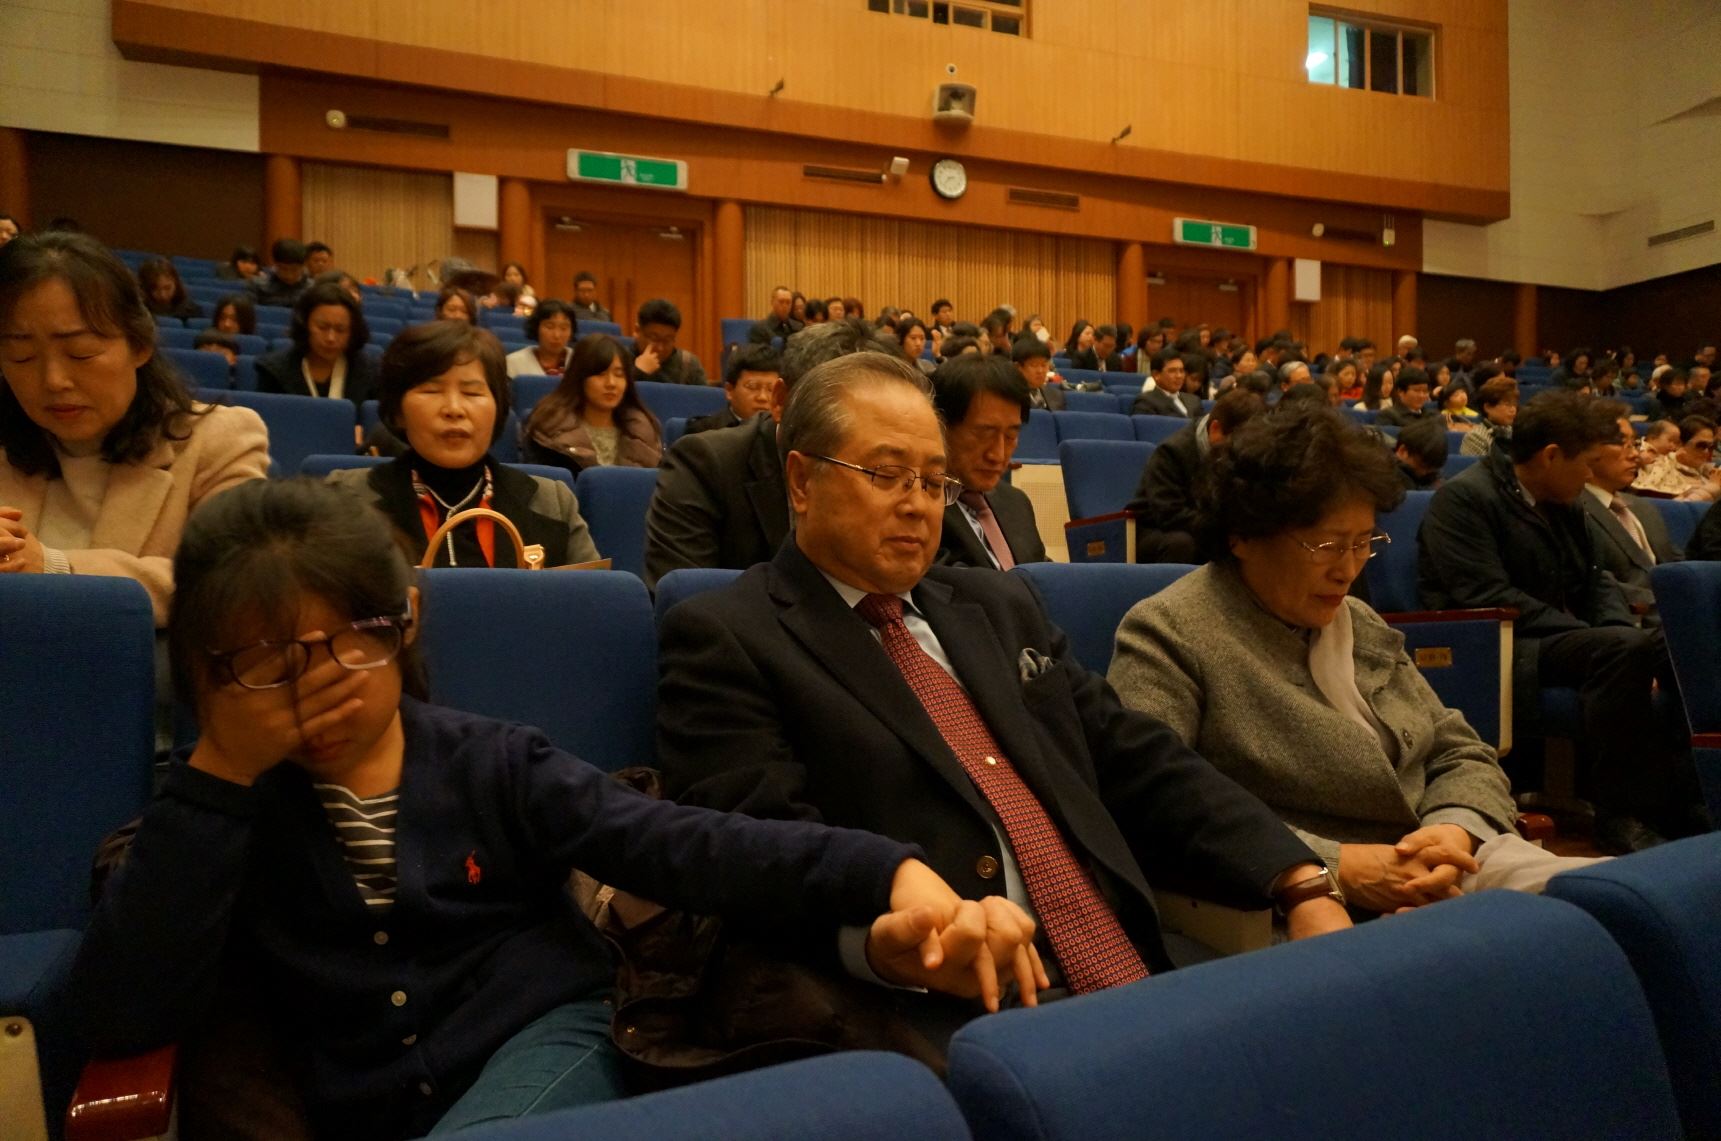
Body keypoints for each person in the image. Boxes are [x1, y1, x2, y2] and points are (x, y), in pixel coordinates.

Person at [70, 476, 1038, 1139]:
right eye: (263, 661)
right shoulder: (212, 805)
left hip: (538, 1042)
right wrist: (218, 769)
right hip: (349, 1091)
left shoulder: (488, 762)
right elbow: (125, 1004)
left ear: (403, 624)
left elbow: (682, 843)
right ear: (204, 672)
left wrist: (884, 870)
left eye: (347, 642)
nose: (315, 687)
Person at [654, 351, 1349, 1041]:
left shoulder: (996, 605)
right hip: (936, 1009)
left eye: (934, 482)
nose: (916, 504)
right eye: (886, 475)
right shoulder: (728, 635)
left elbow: (1134, 755)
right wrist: (886, 940)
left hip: (1130, 967)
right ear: (802, 481)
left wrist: (1295, 873)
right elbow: (760, 850)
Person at [1110, 406, 1603, 913]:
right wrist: (1331, 866)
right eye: (1326, 545)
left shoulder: (1358, 620)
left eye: (1363, 542)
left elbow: (1458, 749)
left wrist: (1453, 828)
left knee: (1617, 900)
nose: (1347, 569)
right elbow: (1158, 804)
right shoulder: (1170, 631)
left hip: (1449, 863)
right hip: (1302, 898)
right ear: (1242, 535)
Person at [1418, 391, 1700, 854]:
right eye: (1586, 463)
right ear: (1551, 456)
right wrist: (1599, 637)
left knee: (1682, 643)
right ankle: (1619, 815)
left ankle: (1690, 798)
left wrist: (1619, 631)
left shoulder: (1563, 501)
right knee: (1620, 649)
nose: (1590, 475)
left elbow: (1597, 582)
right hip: (1500, 644)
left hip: (1566, 640)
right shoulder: (1465, 498)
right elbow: (1485, 595)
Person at [0, 230, 269, 625]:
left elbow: (234, 581)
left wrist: (55, 568)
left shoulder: (218, 439)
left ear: (140, 344)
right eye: (21, 356)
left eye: (81, 353)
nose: (54, 380)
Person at [643, 319, 894, 592]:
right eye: (837, 418)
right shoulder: (704, 466)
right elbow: (687, 603)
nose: (858, 436)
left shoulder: (906, 476)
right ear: (780, 402)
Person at [327, 321, 598, 569]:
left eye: (472, 392)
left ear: (498, 409)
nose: (454, 409)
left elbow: (589, 602)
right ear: (398, 410)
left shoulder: (553, 503)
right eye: (432, 391)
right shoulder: (344, 498)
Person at [930, 354, 1045, 570]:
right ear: (940, 426)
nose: (998, 455)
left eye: (1010, 436)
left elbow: (1039, 575)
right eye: (983, 434)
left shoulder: (1016, 502)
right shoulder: (920, 507)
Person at [1126, 389, 1265, 564]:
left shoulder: (1242, 453)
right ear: (1215, 429)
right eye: (1236, 442)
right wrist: (1223, 526)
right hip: (1156, 529)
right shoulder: (1172, 452)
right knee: (1184, 543)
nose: (1241, 449)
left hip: (1207, 525)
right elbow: (1170, 514)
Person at [1581, 415, 1680, 620]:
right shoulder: (1571, 509)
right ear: (1586, 450)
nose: (1635, 454)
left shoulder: (1644, 508)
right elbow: (1594, 585)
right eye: (1621, 444)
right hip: (1630, 622)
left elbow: (1678, 563)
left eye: (1634, 444)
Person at [523, 334, 661, 472]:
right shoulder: (549, 428)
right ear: (580, 376)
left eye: (619, 374)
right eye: (601, 374)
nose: (611, 383)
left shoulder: (643, 431)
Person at [254, 282, 377, 408]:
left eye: (340, 330)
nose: (331, 338)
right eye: (322, 327)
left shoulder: (371, 373)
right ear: (304, 325)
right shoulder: (274, 372)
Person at [687, 343, 780, 436]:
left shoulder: (782, 432)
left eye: (771, 389)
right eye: (752, 387)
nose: (762, 397)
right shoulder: (703, 432)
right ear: (729, 390)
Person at [1633, 415, 1721, 501]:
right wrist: (1713, 487)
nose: (1706, 452)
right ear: (1680, 444)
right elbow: (1677, 507)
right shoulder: (1656, 466)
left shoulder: (1709, 471)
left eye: (1711, 446)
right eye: (1701, 445)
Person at [630, 298, 707, 386]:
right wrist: (639, 372)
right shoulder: (621, 361)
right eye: (654, 338)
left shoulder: (688, 365)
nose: (660, 348)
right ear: (637, 331)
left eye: (667, 340)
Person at [505, 299, 576, 379]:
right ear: (536, 328)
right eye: (549, 327)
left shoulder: (581, 362)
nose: (557, 335)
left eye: (564, 328)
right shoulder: (513, 363)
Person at [1132, 350, 1202, 420]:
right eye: (1172, 371)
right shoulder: (1146, 402)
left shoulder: (1194, 400)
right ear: (1156, 375)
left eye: (1181, 371)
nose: (1179, 376)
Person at [1461, 376, 1518, 456]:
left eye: (1514, 404)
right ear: (1487, 407)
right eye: (1507, 404)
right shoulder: (1475, 437)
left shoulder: (1515, 433)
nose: (1513, 409)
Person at [250, 239, 311, 308]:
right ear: (275, 264)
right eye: (283, 269)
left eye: (295, 269)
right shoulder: (258, 286)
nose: (289, 275)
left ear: (303, 266)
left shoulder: (312, 289)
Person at [137, 258, 203, 320]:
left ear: (176, 284)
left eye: (167, 288)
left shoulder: (192, 311)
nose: (162, 295)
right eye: (154, 289)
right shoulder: (137, 311)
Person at [1392, 416, 1447, 490]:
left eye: (1430, 469)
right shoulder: (1382, 475)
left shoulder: (1433, 477)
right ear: (1403, 451)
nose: (1424, 473)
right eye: (1422, 466)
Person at [1011, 338, 1065, 410]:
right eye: (1034, 365)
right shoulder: (1007, 397)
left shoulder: (1056, 396)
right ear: (1017, 367)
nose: (1040, 371)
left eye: (1044, 365)